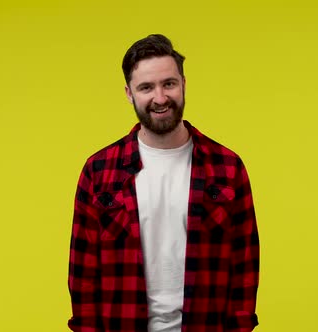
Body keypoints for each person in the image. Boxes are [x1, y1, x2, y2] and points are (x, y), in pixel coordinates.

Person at [68, 34, 260, 332]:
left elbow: (244, 267)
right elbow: (83, 276)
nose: (160, 98)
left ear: (183, 84)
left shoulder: (227, 168)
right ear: (129, 94)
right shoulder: (99, 171)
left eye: (168, 83)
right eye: (146, 87)